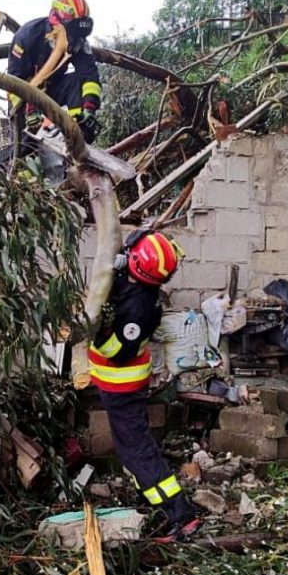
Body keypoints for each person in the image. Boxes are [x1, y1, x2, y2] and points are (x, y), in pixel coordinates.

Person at [88, 231, 201, 542]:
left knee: (136, 451)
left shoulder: (138, 308)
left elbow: (118, 350)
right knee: (132, 450)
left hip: (122, 387)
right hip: (118, 386)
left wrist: (96, 331)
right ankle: (160, 506)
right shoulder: (139, 281)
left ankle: (181, 516)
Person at [6, 0, 102, 145]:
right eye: (70, 35)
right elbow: (15, 82)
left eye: (77, 36)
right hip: (23, 94)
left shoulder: (78, 41)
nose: (72, 41)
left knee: (78, 81)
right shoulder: (27, 36)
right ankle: (19, 162)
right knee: (24, 143)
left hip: (52, 88)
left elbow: (89, 75)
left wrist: (89, 108)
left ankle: (77, 133)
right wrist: (30, 109)